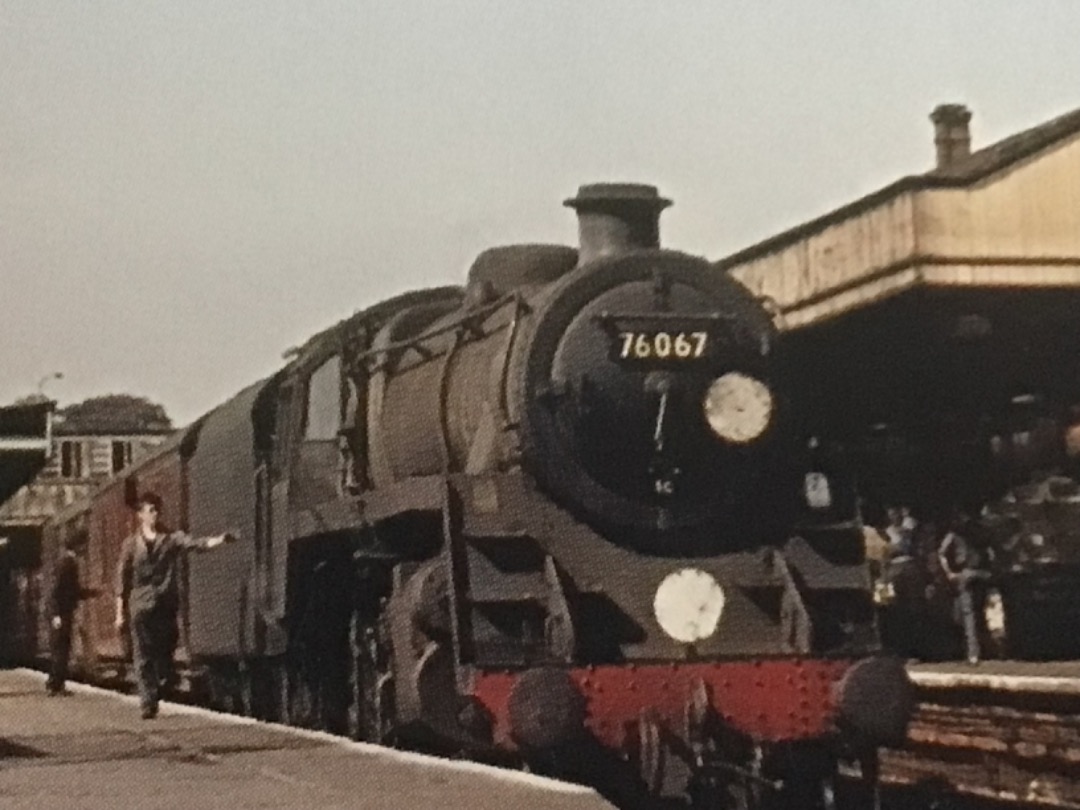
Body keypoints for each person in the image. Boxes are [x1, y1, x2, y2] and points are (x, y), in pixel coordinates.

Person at [114, 492, 236, 719]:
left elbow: (195, 544)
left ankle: (162, 680)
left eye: (156, 510)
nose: (154, 514)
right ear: (140, 515)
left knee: (165, 650)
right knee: (142, 655)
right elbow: (121, 579)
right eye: (149, 510)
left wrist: (219, 540)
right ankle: (148, 702)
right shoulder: (130, 545)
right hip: (140, 605)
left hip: (164, 604)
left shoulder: (171, 538)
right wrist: (119, 613)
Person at [937, 517, 990, 665]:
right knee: (972, 614)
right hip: (974, 573)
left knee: (971, 615)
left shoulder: (957, 534)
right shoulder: (976, 531)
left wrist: (949, 573)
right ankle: (980, 650)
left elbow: (942, 553)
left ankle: (975, 652)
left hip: (971, 574)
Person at [46, 535, 93, 696]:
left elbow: (71, 591)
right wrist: (56, 614)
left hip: (63, 611)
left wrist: (91, 593)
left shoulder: (66, 562)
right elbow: (56, 591)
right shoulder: (67, 564)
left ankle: (56, 684)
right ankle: (55, 685)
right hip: (62, 612)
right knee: (61, 649)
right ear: (78, 547)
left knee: (61, 649)